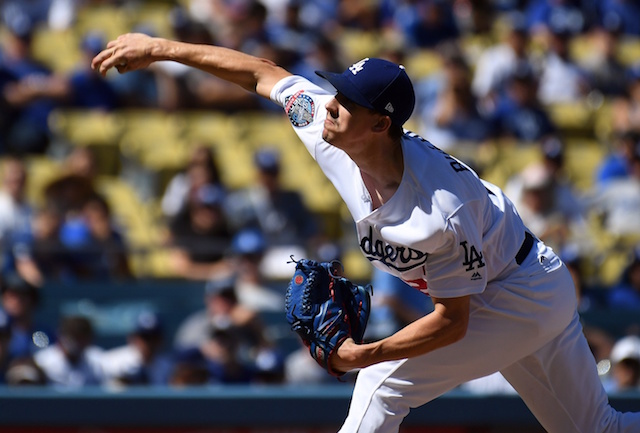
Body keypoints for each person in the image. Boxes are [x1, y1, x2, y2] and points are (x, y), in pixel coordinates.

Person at [92, 33, 640, 432]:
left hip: (517, 290)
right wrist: (160, 47)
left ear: (381, 123)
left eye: (348, 102)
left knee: (379, 388)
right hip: (525, 276)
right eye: (336, 91)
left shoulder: (438, 212)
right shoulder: (329, 130)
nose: (331, 104)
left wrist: (365, 353)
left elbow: (454, 322)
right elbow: (263, 73)